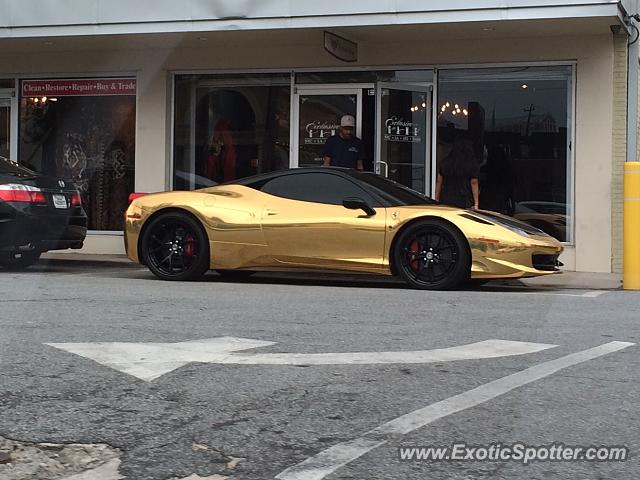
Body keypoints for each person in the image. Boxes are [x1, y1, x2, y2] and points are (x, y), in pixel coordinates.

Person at [435, 136, 480, 209]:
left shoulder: (445, 162)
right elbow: (474, 182)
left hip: (446, 198)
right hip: (464, 199)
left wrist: (436, 198)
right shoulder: (471, 163)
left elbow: (439, 181)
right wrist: (476, 203)